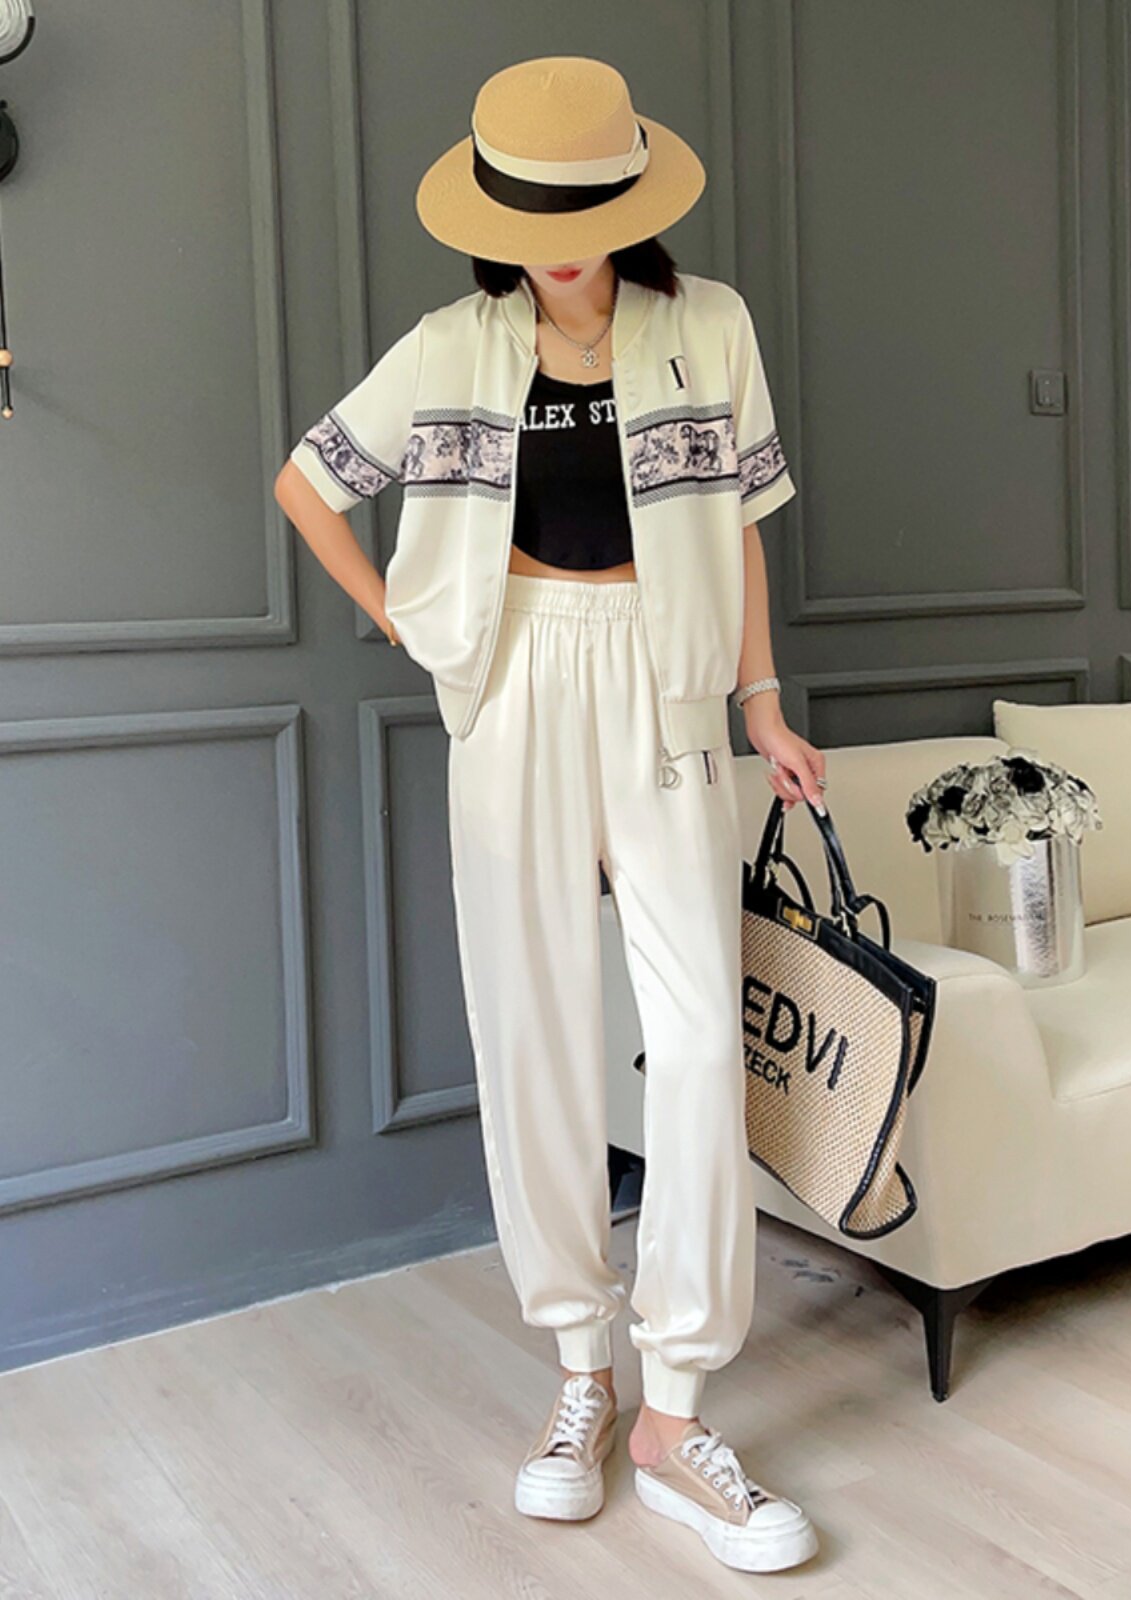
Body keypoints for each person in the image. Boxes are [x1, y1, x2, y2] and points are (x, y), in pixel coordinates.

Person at [274, 55, 827, 1575]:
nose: (561, 244)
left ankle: (677, 1411)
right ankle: (583, 1376)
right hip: (511, 678)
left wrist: (763, 704)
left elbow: (744, 530)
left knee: (699, 1043)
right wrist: (402, 615)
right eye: (533, 220)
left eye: (584, 214)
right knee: (531, 1030)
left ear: (631, 202)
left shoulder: (709, 325)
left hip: (666, 681)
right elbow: (309, 483)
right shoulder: (452, 347)